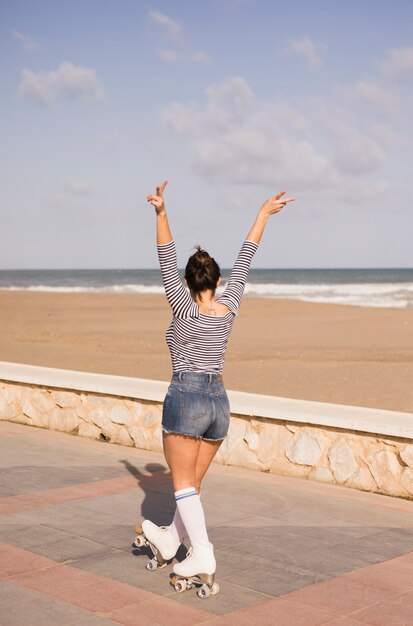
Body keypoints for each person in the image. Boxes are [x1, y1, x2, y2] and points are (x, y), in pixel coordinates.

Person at [142, 180, 295, 591]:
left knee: (184, 487)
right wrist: (262, 215)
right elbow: (246, 258)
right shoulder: (229, 307)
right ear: (216, 279)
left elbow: (164, 256)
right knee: (191, 486)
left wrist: (161, 213)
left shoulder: (182, 305)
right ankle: (170, 538)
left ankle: (203, 552)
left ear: (188, 281)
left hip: (186, 397)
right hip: (219, 405)